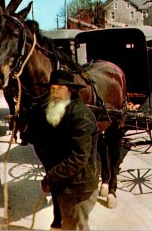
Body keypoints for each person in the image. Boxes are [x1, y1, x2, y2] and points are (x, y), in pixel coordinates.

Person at [33, 69, 99, 230]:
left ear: (70, 90)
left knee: (75, 227)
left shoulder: (80, 116)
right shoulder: (60, 110)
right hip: (67, 184)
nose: (55, 93)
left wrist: (51, 177)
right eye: (52, 88)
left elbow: (78, 158)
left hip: (79, 187)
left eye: (60, 88)